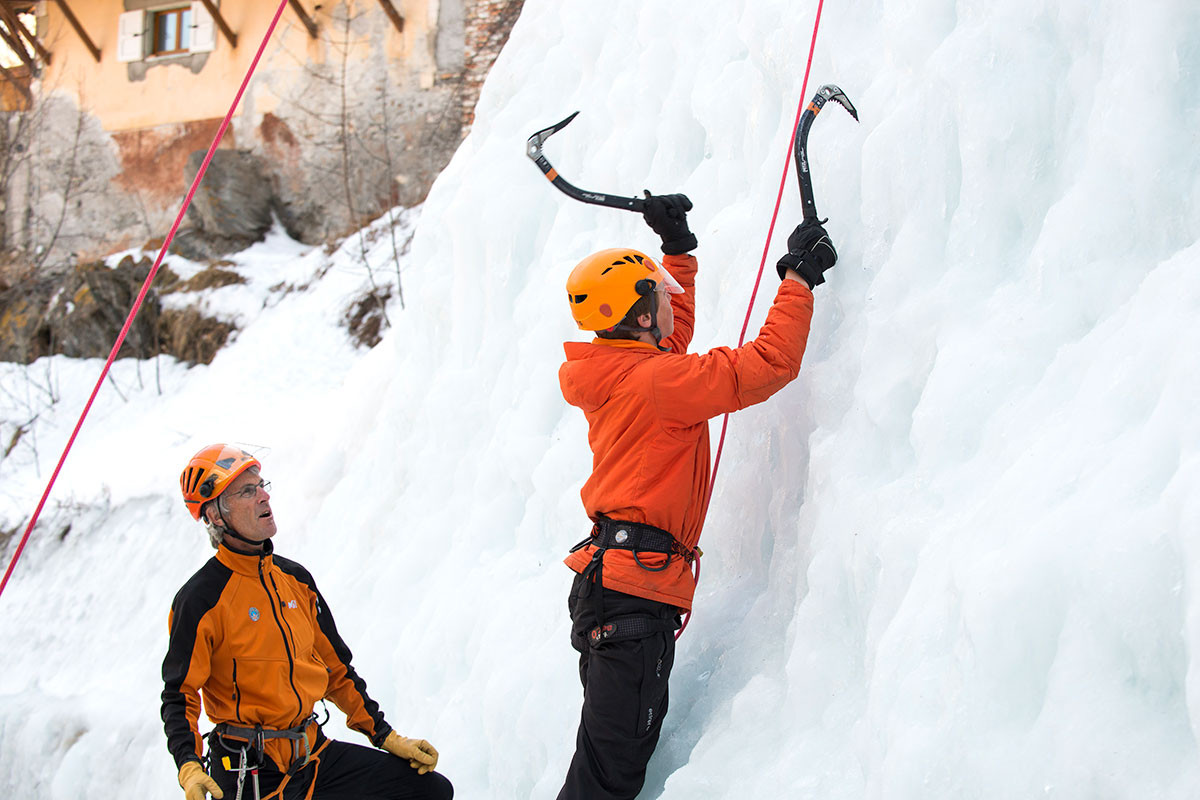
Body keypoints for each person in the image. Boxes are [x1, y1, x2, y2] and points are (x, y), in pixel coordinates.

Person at [555, 194, 837, 799]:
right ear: (637, 315)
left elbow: (669, 339)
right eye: (658, 294)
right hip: (632, 596)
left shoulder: (617, 370)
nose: (669, 300)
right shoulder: (657, 382)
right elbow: (768, 364)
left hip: (615, 588)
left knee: (606, 768)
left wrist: (676, 254)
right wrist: (798, 280)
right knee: (605, 782)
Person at [162, 444, 453, 800]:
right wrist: (189, 765)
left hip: (312, 757)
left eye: (261, 485)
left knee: (426, 791)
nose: (263, 496)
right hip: (249, 772)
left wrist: (384, 735)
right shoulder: (201, 599)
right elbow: (180, 695)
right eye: (247, 491)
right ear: (216, 514)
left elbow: (336, 670)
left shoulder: (295, 580)